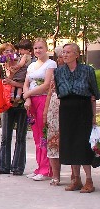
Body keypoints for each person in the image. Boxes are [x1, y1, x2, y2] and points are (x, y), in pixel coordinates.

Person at [55, 42, 100, 193]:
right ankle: (76, 179)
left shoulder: (88, 70)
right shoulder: (59, 72)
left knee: (82, 144)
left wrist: (94, 116)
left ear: (77, 54)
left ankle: (89, 180)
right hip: (66, 109)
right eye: (63, 52)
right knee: (69, 143)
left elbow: (94, 93)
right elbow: (59, 91)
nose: (65, 55)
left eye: (68, 52)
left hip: (83, 110)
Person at [0, 40, 32, 176]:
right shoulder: (0, 68)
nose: (9, 53)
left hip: (21, 103)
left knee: (21, 136)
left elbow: (28, 86)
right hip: (7, 104)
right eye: (6, 51)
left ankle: (18, 167)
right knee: (5, 137)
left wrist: (13, 82)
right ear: (2, 54)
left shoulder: (24, 66)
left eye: (11, 51)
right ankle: (4, 166)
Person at [23, 38, 57, 180]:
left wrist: (28, 94)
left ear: (46, 48)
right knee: (36, 135)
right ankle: (39, 167)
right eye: (36, 48)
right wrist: (28, 98)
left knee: (44, 135)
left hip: (44, 100)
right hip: (32, 103)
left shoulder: (51, 64)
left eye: (40, 48)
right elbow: (26, 83)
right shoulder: (31, 66)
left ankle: (47, 169)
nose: (38, 50)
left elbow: (47, 84)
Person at [42, 46, 64, 186]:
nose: (62, 58)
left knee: (69, 142)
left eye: (65, 55)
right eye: (61, 56)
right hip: (53, 111)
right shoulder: (56, 73)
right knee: (53, 142)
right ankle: (56, 176)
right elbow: (50, 92)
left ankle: (76, 176)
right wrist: (45, 111)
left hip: (69, 111)